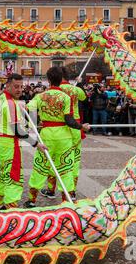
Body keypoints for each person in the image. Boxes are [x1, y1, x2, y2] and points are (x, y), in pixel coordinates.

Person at [24, 67, 90, 208]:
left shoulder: (40, 96)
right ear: (61, 80)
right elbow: (69, 120)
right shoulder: (66, 98)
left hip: (47, 135)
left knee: (40, 166)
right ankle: (67, 201)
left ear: (48, 80)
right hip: (64, 137)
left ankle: (31, 200)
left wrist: (34, 122)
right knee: (66, 168)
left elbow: (27, 109)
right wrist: (81, 127)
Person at [0, 74, 47, 210]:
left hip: (2, 141)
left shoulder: (3, 97)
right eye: (16, 87)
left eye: (21, 87)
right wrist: (36, 144)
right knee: (14, 176)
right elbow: (17, 130)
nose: (19, 90)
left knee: (5, 172)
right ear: (8, 86)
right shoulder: (10, 103)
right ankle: (12, 211)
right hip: (9, 144)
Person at [56, 72, 88, 195]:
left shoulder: (55, 90)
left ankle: (51, 189)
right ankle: (71, 191)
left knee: (56, 158)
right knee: (74, 159)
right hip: (75, 126)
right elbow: (84, 98)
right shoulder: (75, 89)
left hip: (60, 127)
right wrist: (79, 84)